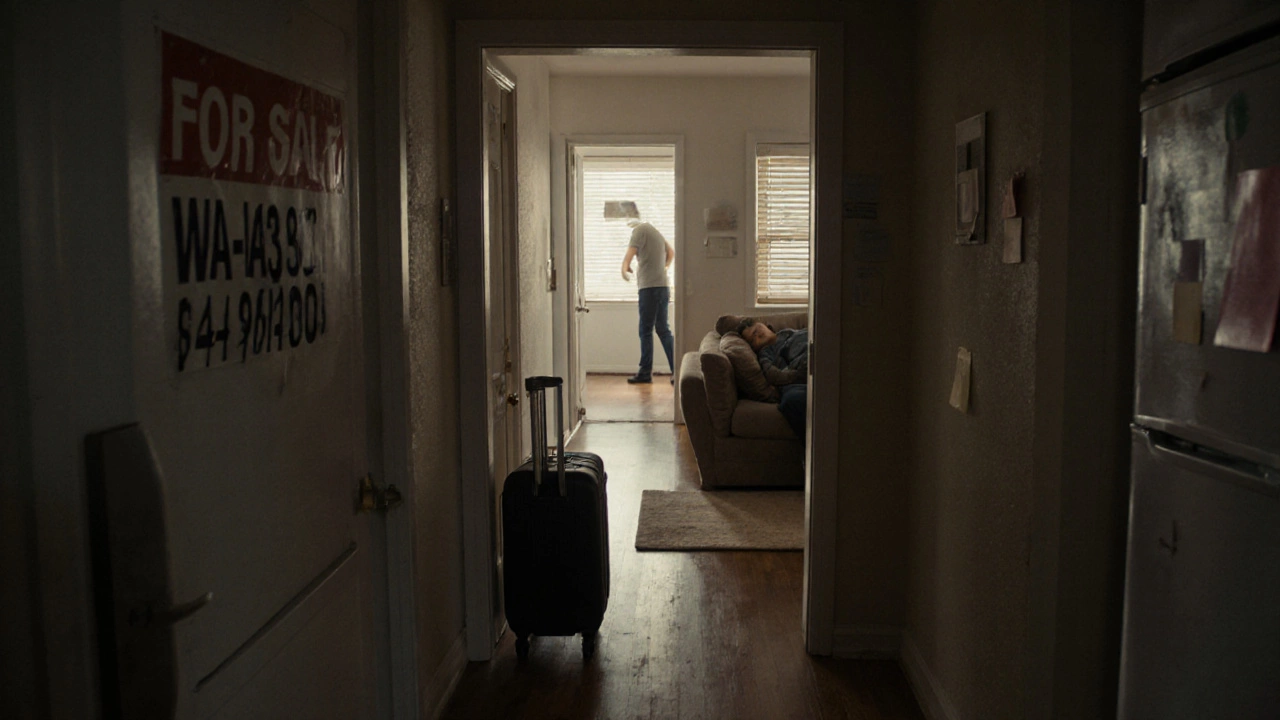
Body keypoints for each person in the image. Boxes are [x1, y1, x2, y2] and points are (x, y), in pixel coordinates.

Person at [620, 205, 675, 384]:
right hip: (662, 286)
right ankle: (678, 370)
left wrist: (624, 267)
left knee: (645, 330)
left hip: (649, 289)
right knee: (663, 329)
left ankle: (645, 373)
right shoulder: (655, 232)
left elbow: (629, 255)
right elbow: (671, 252)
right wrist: (663, 268)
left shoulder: (639, 231)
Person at [738, 317, 808, 438]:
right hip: (797, 379)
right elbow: (773, 375)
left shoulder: (789, 332)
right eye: (752, 339)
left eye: (756, 330)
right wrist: (799, 375)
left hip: (817, 356)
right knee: (792, 400)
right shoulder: (766, 352)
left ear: (766, 326)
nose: (757, 336)